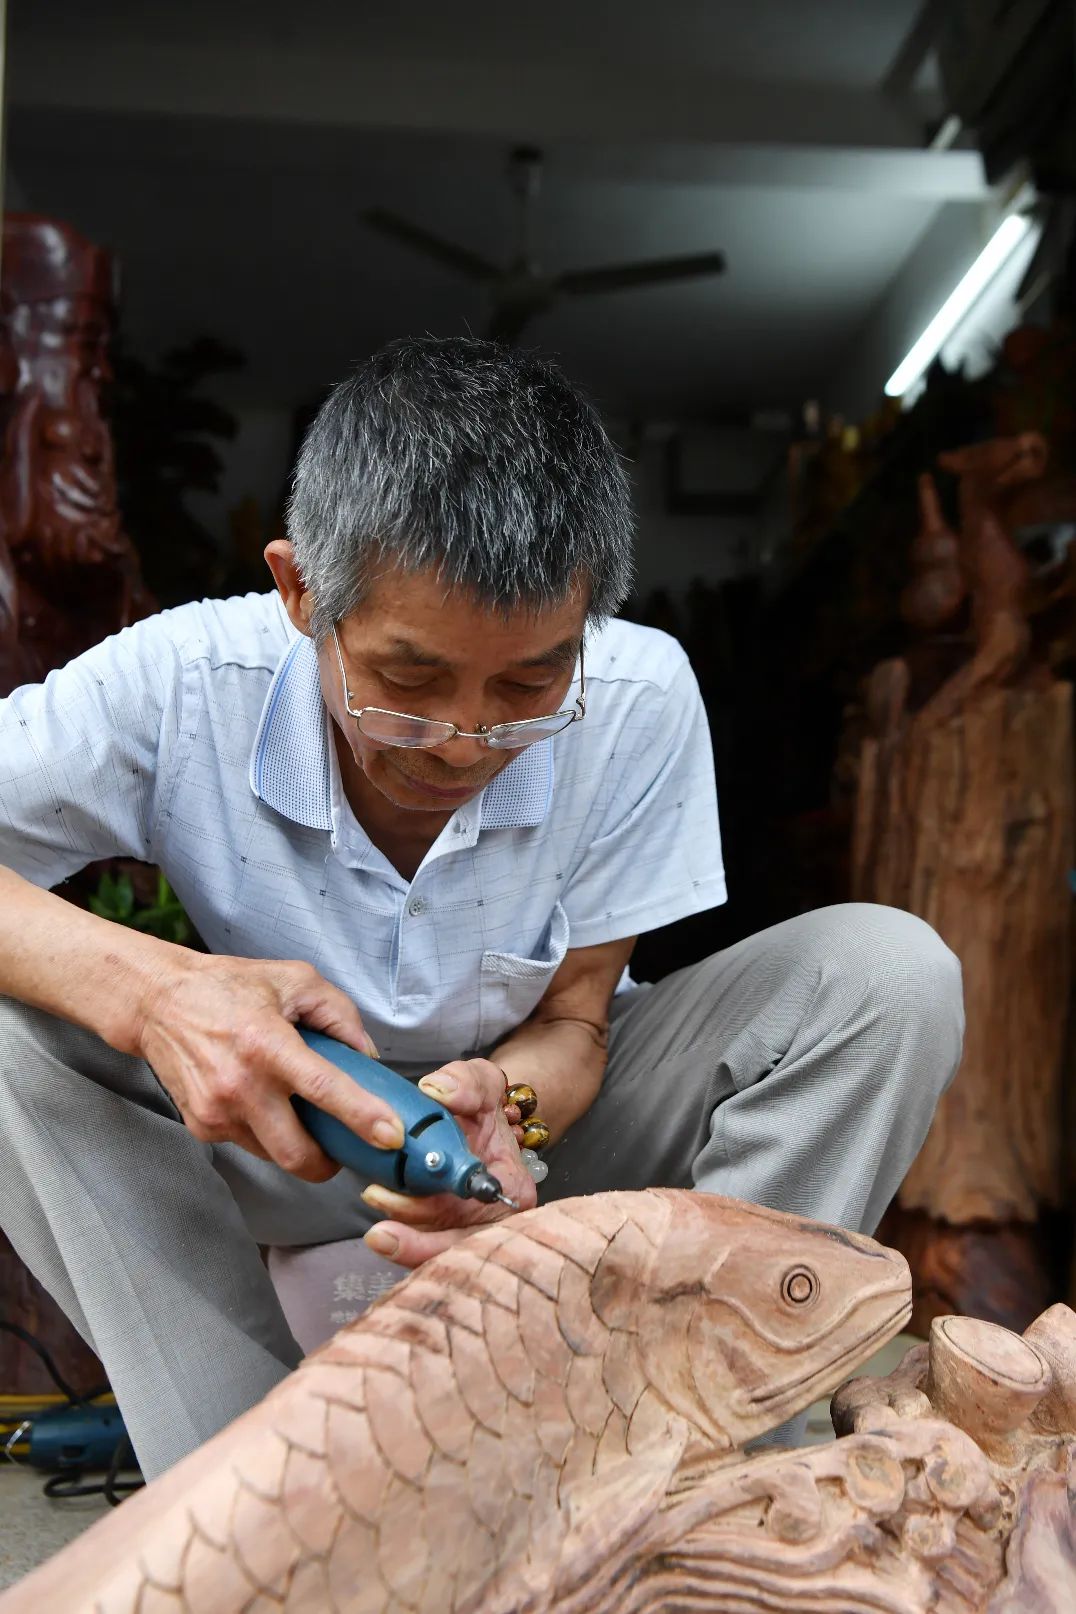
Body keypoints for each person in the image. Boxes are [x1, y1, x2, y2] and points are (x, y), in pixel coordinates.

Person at [0, 337, 963, 1480]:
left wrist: (507, 1102)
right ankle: (253, 1494)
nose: (463, 742)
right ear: (302, 592)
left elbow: (576, 1024)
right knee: (15, 1031)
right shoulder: (178, 682)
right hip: (282, 1135)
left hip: (522, 1142)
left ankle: (684, 1445)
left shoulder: (637, 695)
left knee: (888, 976)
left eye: (525, 686)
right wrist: (158, 992)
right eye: (407, 683)